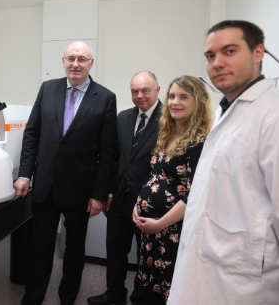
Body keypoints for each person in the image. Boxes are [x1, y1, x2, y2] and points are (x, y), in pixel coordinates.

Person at [168, 21, 279, 304]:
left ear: (258, 53)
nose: (217, 63)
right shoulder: (226, 110)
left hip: (243, 279)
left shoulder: (272, 115)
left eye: (229, 51)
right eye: (210, 56)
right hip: (207, 263)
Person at [14, 41, 118, 305]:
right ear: (63, 61)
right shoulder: (48, 89)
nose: (75, 64)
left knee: (74, 250)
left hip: (80, 191)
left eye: (82, 59)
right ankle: (33, 297)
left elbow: (107, 153)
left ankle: (67, 299)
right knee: (40, 248)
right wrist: (25, 174)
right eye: (71, 58)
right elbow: (32, 134)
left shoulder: (105, 97)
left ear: (91, 64)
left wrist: (98, 194)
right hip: (45, 186)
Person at [134, 75, 213, 304]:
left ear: (198, 103)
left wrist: (160, 223)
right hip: (151, 231)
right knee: (147, 286)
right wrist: (137, 207)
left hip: (174, 232)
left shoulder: (199, 142)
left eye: (183, 97)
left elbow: (194, 195)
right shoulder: (167, 134)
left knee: (168, 289)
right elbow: (154, 177)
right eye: (171, 96)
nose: (174, 102)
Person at [88, 71, 162, 305]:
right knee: (116, 251)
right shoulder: (123, 117)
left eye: (145, 91)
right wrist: (108, 192)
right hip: (119, 198)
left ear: (158, 90)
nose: (139, 96)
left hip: (150, 203)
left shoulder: (170, 119)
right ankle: (114, 294)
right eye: (134, 91)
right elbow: (112, 159)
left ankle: (140, 297)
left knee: (146, 254)